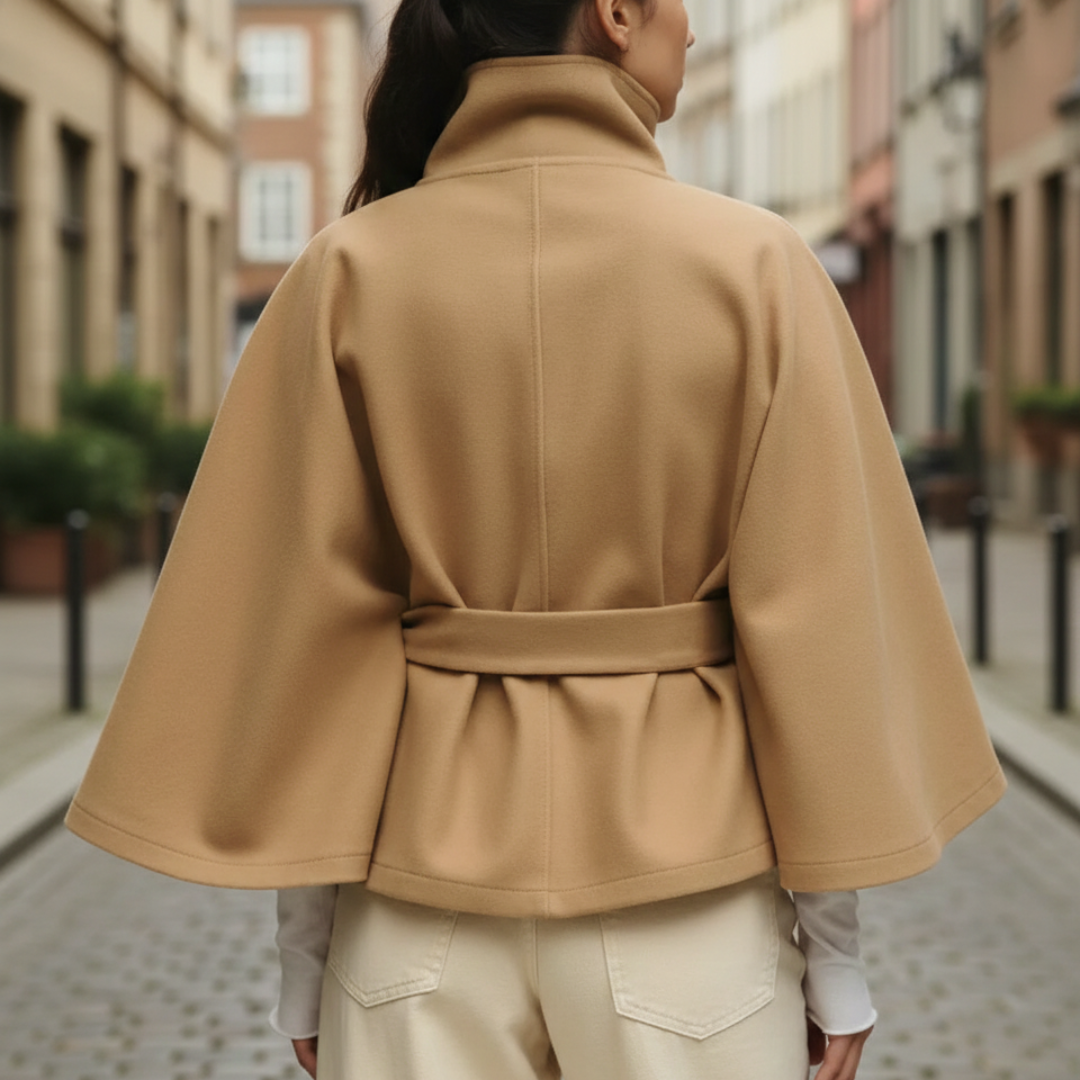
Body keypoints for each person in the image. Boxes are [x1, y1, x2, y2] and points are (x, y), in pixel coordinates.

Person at [66, 1, 1006, 1078]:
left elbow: (316, 651)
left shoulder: (342, 274)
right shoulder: (760, 267)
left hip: (416, 906)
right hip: (689, 904)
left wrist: (304, 958)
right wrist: (834, 953)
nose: (692, 29)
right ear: (613, 13)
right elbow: (812, 642)